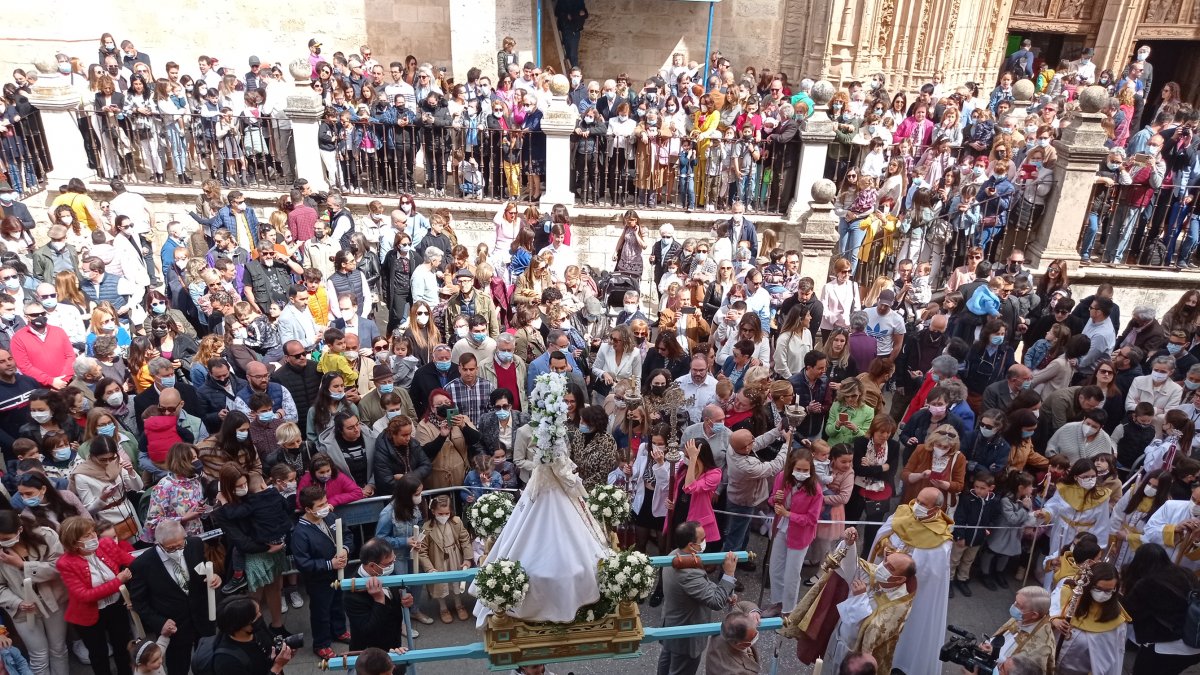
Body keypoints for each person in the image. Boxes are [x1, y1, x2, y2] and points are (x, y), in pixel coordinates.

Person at [866, 487, 952, 675]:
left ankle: (898, 662)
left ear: (936, 509)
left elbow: (929, 575)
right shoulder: (903, 513)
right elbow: (882, 538)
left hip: (908, 597)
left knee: (902, 634)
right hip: (884, 583)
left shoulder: (940, 541)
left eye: (923, 504)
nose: (917, 506)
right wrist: (885, 547)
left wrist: (901, 561)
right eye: (917, 500)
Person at [128, 520, 221, 675]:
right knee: (178, 668)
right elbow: (139, 602)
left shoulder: (194, 544)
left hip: (203, 618)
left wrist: (214, 577)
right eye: (172, 548)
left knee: (207, 663)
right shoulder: (142, 564)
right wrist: (159, 622)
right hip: (174, 628)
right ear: (158, 543)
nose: (178, 550)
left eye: (181, 545)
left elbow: (203, 569)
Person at [56, 515, 135, 675]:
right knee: (99, 655)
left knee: (123, 647)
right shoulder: (65, 563)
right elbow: (85, 595)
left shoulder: (105, 544)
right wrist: (118, 581)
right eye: (87, 535)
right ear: (73, 542)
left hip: (116, 606)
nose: (93, 537)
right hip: (88, 615)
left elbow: (131, 561)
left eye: (93, 532)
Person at [658, 521, 737, 675]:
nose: (705, 541)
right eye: (702, 539)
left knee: (666, 666)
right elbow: (716, 602)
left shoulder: (674, 554)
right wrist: (728, 574)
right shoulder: (688, 571)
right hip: (686, 636)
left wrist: (722, 592)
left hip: (671, 624)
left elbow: (701, 586)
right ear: (691, 545)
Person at [0, 510, 69, 675]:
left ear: (20, 529)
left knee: (58, 648)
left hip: (54, 601)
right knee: (38, 656)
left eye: (6, 538)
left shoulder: (45, 535)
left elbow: (60, 566)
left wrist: (23, 566)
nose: (3, 542)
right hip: (23, 610)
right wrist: (17, 603)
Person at [292, 485, 351, 659]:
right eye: (320, 505)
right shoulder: (300, 533)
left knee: (338, 603)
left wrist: (345, 550)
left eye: (326, 502)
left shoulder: (331, 516)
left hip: (337, 573)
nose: (326, 507)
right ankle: (321, 643)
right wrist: (329, 564)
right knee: (321, 611)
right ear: (308, 509)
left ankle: (339, 630)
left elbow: (347, 535)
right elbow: (303, 563)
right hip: (318, 580)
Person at [1052, 561, 1129, 675]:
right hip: (1049, 665)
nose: (1102, 594)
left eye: (1108, 590)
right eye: (1098, 588)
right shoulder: (1070, 595)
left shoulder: (1116, 624)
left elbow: (1110, 661)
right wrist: (1054, 620)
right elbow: (1047, 610)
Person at [342, 538, 415, 655]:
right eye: (389, 563)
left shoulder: (385, 571)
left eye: (393, 560)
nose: (392, 565)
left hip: (394, 642)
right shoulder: (352, 593)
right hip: (370, 653)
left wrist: (406, 600)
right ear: (372, 566)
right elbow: (367, 631)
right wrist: (379, 600)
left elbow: (398, 595)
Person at [208, 595, 295, 675]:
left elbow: (272, 642)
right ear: (241, 625)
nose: (260, 616)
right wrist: (277, 666)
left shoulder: (257, 629)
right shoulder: (226, 661)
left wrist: (283, 651)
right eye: (256, 615)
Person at [984, 585, 1056, 673]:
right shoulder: (1024, 617)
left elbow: (1019, 671)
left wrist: (996, 655)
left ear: (1034, 615)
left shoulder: (1041, 648)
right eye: (1015, 601)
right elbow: (1005, 636)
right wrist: (991, 644)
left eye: (1018, 605)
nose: (1014, 606)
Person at [702, 608, 762, 675]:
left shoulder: (723, 633)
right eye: (755, 634)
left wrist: (754, 612)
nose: (757, 632)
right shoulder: (733, 671)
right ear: (744, 644)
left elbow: (742, 605)